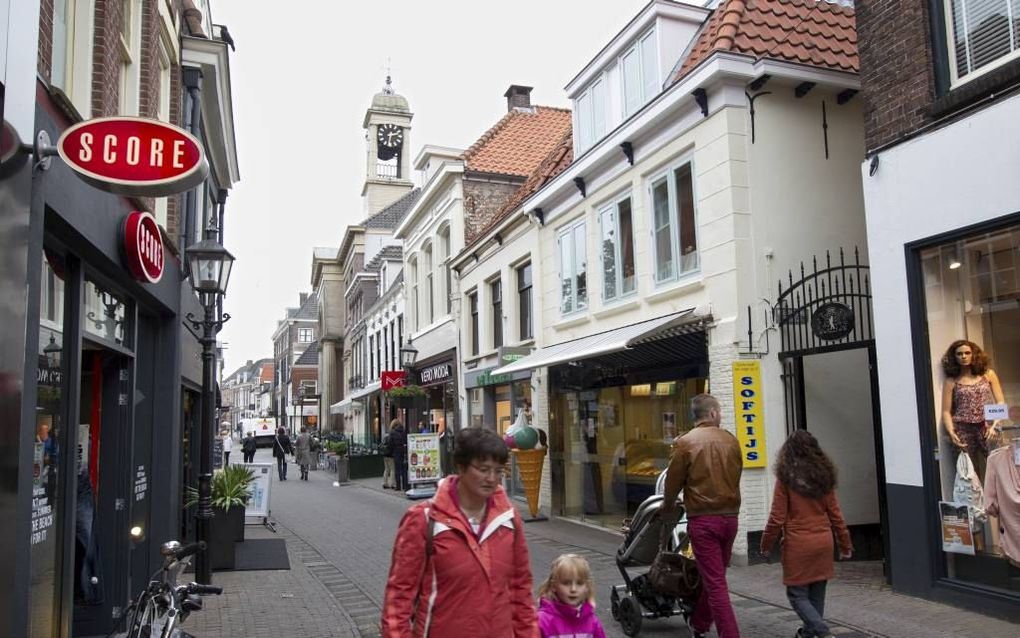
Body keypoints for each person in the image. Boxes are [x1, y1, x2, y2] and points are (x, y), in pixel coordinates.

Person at [381, 427, 537, 637]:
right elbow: (398, 600)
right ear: (461, 467)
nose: (492, 478)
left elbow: (521, 592)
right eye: (483, 469)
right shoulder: (424, 520)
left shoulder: (509, 519)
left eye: (498, 471)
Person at [662, 393, 743, 638]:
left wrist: (666, 508)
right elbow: (737, 472)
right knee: (716, 576)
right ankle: (699, 623)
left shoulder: (685, 443)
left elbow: (672, 482)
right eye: (720, 411)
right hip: (730, 517)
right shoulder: (731, 440)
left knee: (716, 583)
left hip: (703, 519)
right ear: (713, 413)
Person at [759, 431, 852, 638]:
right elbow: (836, 516)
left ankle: (823, 632)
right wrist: (845, 545)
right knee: (817, 594)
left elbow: (776, 517)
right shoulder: (824, 478)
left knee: (797, 594)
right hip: (823, 542)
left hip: (798, 543)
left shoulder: (785, 478)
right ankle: (808, 634)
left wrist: (765, 544)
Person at [940, 339, 1005, 482]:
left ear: (973, 354)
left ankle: (1002, 501)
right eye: (959, 354)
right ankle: (975, 503)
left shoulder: (988, 374)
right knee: (967, 472)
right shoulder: (951, 381)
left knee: (999, 465)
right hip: (963, 428)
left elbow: (1000, 401)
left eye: (967, 353)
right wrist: (951, 432)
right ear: (954, 357)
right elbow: (946, 411)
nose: (963, 356)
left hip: (987, 426)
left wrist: (996, 424)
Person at [536, 554, 606, 638]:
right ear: (554, 586)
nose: (573, 589)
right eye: (566, 583)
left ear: (587, 586)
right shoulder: (542, 621)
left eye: (579, 583)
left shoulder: (592, 621)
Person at [389, 418, 408, 492]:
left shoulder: (392, 433)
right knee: (404, 469)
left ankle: (398, 486)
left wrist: (391, 452)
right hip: (403, 452)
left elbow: (390, 444)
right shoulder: (403, 431)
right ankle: (405, 485)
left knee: (397, 470)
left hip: (396, 452)